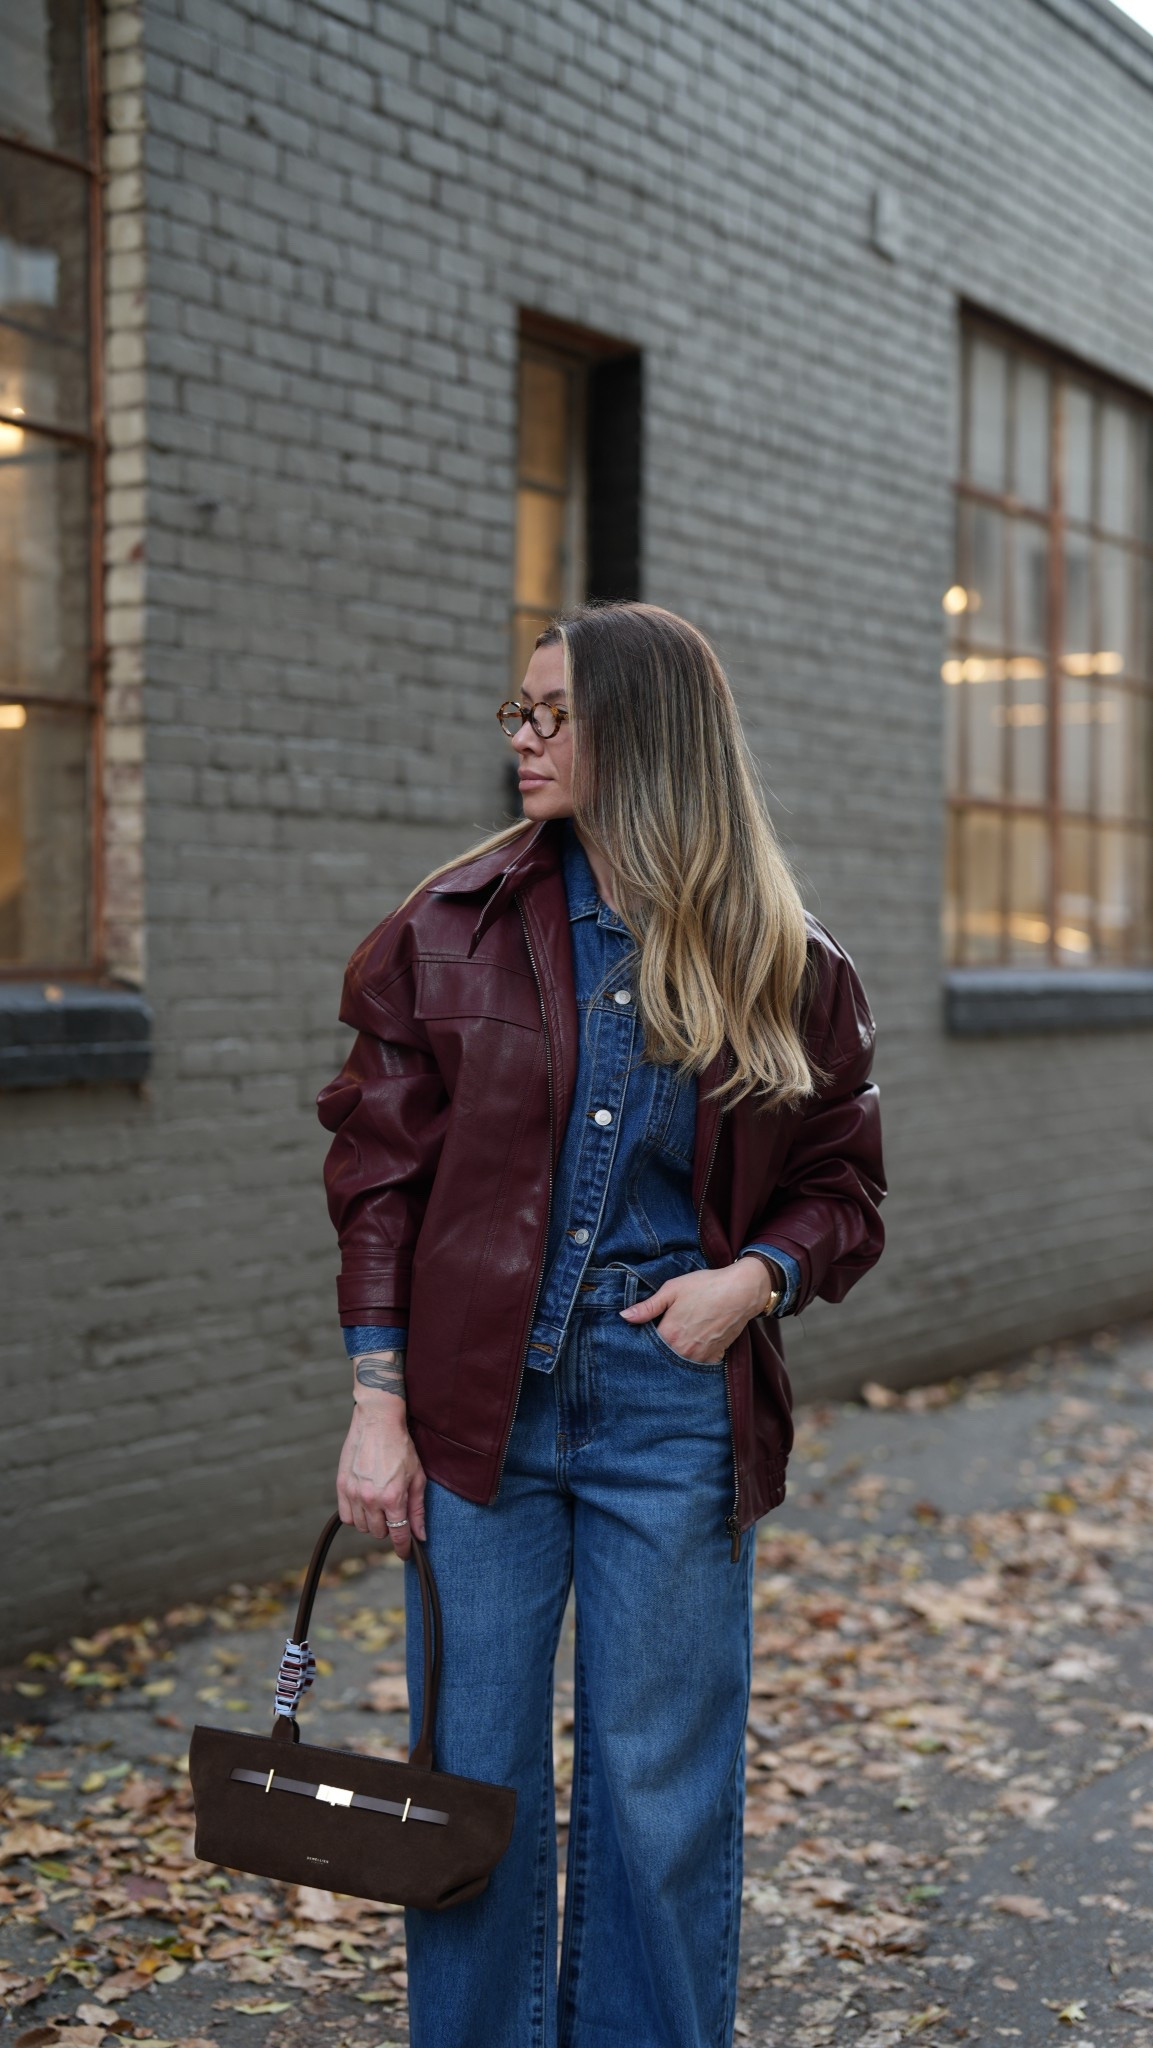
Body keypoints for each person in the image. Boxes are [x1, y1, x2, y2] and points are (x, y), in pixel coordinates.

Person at [316, 601, 885, 2048]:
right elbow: (378, 1181)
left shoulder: (784, 961)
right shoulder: (443, 934)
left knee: (659, 1800)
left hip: (671, 1414)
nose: (520, 735)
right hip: (470, 1422)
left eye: (553, 713)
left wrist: (750, 1281)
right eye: (519, 708)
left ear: (644, 731)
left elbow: (843, 1190)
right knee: (471, 1789)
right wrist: (376, 1405)